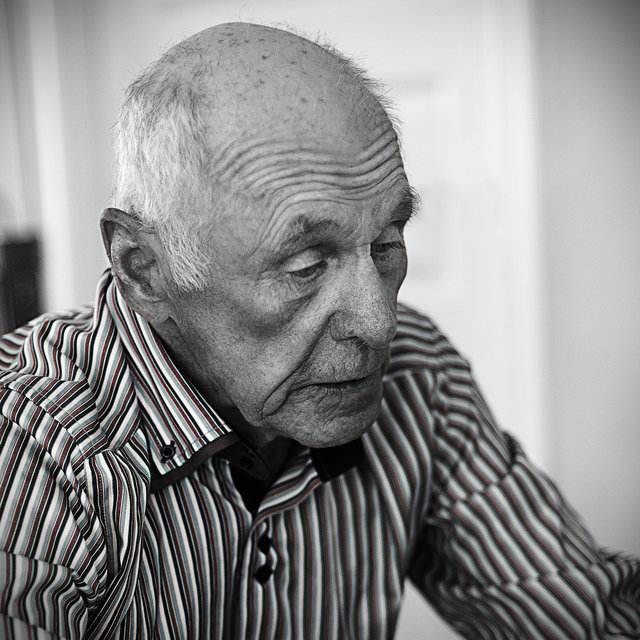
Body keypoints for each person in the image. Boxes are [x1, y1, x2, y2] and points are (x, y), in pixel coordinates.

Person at [0, 22, 638, 640]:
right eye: (304, 265)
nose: (379, 324)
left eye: (387, 243)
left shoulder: (418, 375)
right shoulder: (33, 450)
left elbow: (588, 617)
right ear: (144, 270)